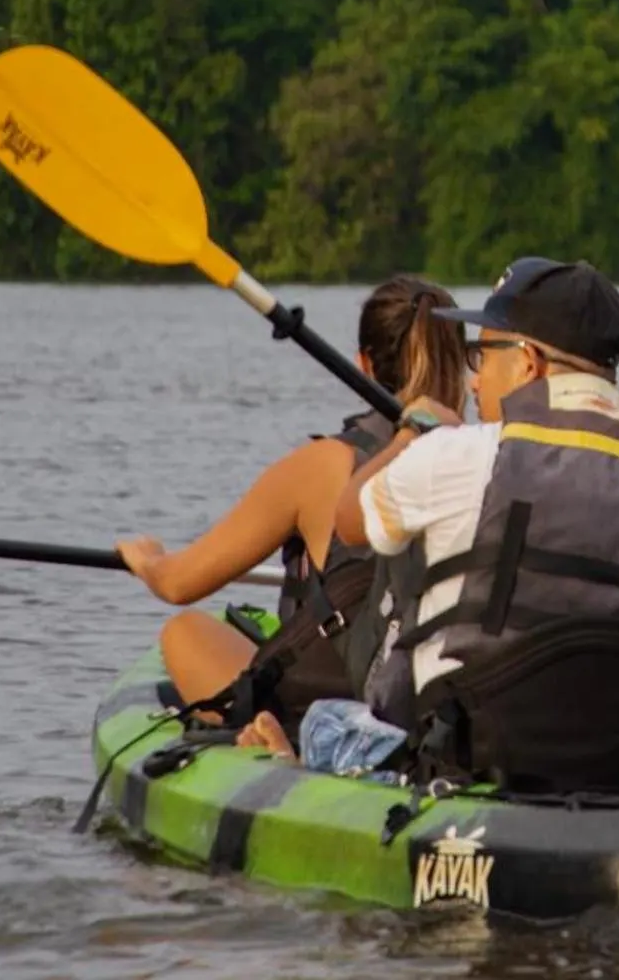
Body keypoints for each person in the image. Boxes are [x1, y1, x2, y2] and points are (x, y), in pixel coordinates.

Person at [237, 258, 619, 793]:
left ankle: (285, 765)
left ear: (529, 362)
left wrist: (408, 432)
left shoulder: (457, 454)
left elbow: (349, 521)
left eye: (481, 356)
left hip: (476, 753)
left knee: (328, 718)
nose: (472, 378)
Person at [116, 275, 467, 725]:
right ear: (463, 364)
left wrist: (147, 559)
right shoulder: (485, 454)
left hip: (337, 692)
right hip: (439, 687)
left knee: (184, 631)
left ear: (365, 364)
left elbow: (178, 584)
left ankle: (273, 738)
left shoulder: (324, 467)